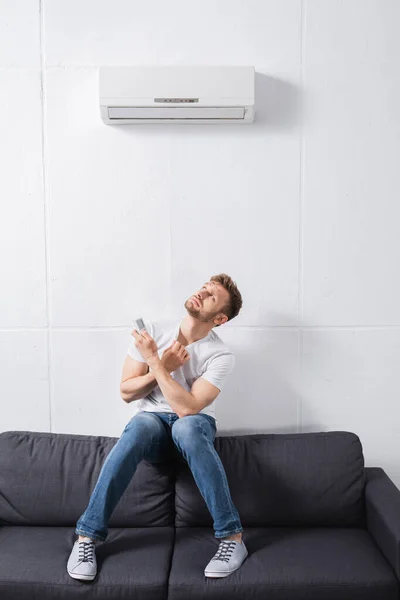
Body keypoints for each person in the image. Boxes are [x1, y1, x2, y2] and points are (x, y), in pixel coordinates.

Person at [67, 273, 247, 580]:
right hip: (152, 427)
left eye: (211, 296)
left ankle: (232, 539)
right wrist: (159, 364)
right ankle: (87, 538)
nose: (200, 294)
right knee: (140, 425)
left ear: (219, 318)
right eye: (203, 288)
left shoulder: (221, 355)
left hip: (194, 428)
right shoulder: (151, 331)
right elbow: (126, 391)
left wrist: (155, 360)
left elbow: (187, 408)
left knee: (185, 428)